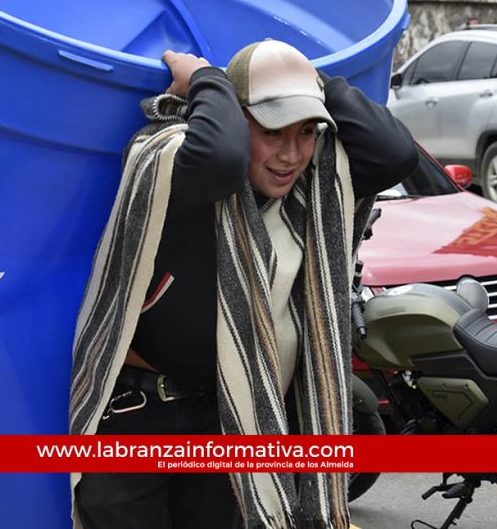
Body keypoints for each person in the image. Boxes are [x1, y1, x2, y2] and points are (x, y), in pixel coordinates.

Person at [68, 39, 419, 529]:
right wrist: (208, 80)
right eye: (273, 131)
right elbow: (220, 156)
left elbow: (397, 154)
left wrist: (311, 83)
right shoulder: (174, 163)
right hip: (139, 414)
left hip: (230, 413)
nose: (291, 154)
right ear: (235, 117)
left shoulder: (304, 199)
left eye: (306, 133)